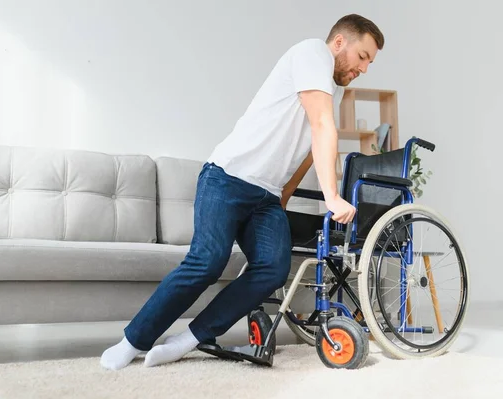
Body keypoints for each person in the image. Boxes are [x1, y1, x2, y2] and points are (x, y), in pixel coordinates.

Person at [100, 13, 384, 370]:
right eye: (363, 57)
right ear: (340, 43)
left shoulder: (335, 87)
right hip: (227, 177)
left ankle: (188, 339)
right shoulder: (313, 53)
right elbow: (322, 125)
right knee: (208, 260)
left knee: (272, 269)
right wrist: (330, 195)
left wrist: (281, 200)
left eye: (370, 62)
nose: (365, 68)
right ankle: (132, 341)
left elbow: (309, 151)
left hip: (265, 197)